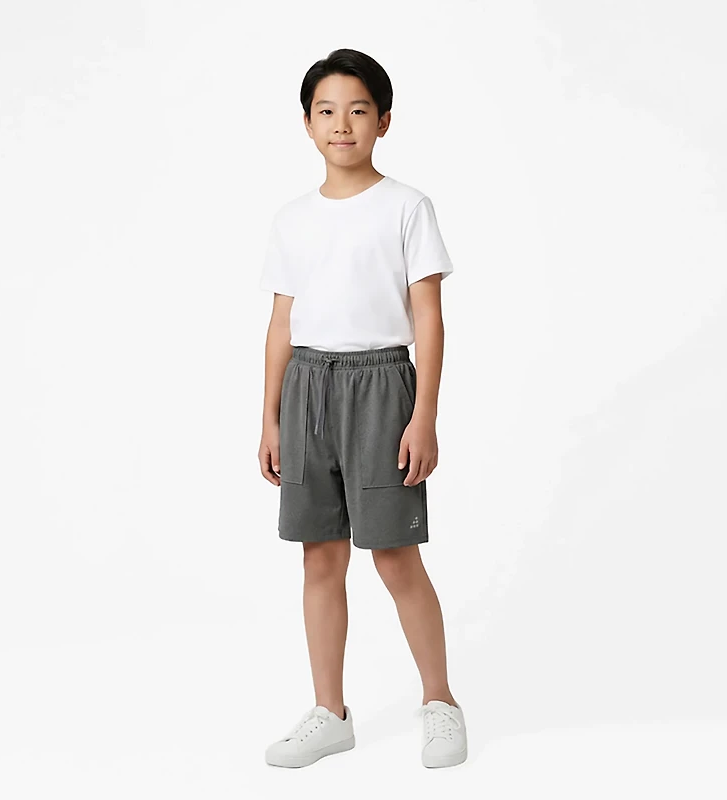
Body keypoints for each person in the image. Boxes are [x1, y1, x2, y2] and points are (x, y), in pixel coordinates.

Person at [257, 48, 467, 770]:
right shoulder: (292, 219)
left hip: (382, 386)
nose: (341, 124)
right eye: (326, 111)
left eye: (357, 110)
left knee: (395, 556)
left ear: (383, 120)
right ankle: (330, 713)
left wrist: (424, 414)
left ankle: (440, 702)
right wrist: (269, 417)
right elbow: (281, 323)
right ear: (307, 123)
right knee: (320, 555)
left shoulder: (407, 206)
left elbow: (428, 315)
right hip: (307, 387)